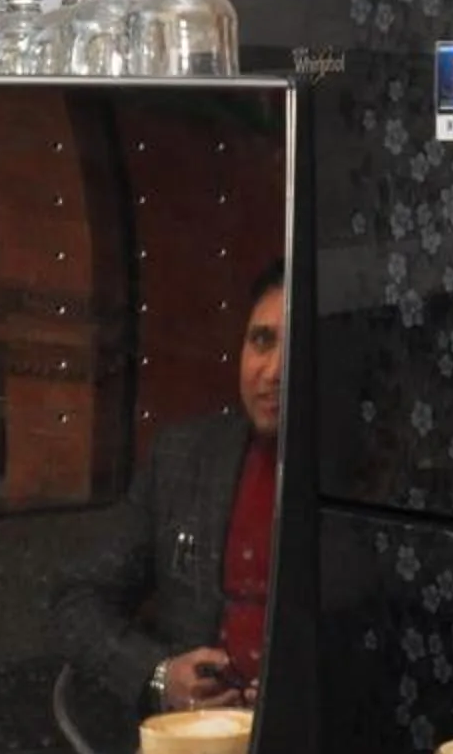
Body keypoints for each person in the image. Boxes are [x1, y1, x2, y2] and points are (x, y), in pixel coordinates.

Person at [50, 264, 286, 716]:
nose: (273, 371)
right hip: (192, 738)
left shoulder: (364, 479)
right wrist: (157, 674)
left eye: (294, 349)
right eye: (261, 341)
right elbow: (76, 599)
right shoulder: (184, 460)